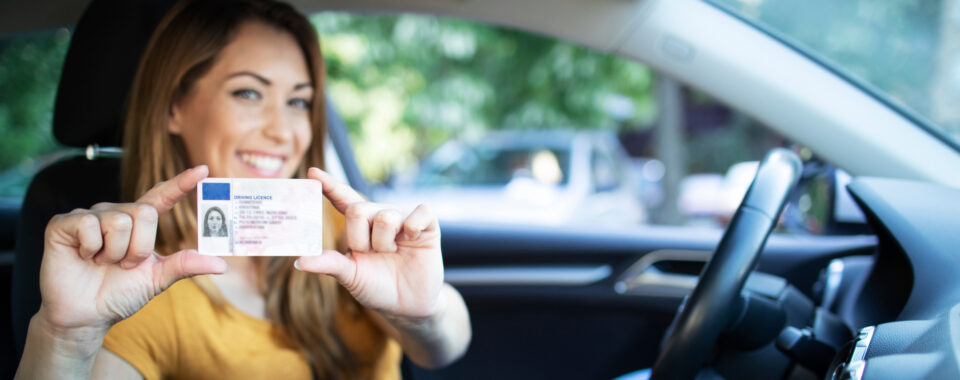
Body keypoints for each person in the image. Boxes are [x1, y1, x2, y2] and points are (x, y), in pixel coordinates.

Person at [14, 0, 472, 378]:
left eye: (298, 101)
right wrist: (66, 339)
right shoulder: (135, 281)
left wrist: (422, 313)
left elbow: (440, 351)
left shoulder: (338, 228)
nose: (283, 131)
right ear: (174, 106)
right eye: (249, 93)